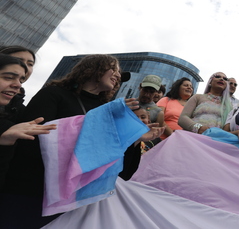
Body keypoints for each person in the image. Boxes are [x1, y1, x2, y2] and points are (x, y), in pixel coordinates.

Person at [0, 54, 163, 228]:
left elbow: (117, 169)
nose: (117, 75)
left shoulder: (107, 110)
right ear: (93, 68)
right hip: (27, 188)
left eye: (118, 72)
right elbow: (31, 137)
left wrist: (133, 140)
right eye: (113, 68)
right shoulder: (54, 94)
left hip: (67, 199)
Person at [0, 55, 56, 189]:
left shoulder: (8, 126)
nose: (18, 84)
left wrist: (4, 143)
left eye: (21, 80)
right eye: (8, 77)